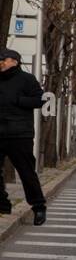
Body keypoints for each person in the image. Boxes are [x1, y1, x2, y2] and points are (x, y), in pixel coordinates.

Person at [0, 47, 47, 225]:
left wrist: (20, 100)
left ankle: (39, 207)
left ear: (15, 61)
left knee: (26, 173)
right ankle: (3, 204)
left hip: (20, 135)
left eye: (4, 59)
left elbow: (40, 99)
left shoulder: (27, 80)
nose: (1, 62)